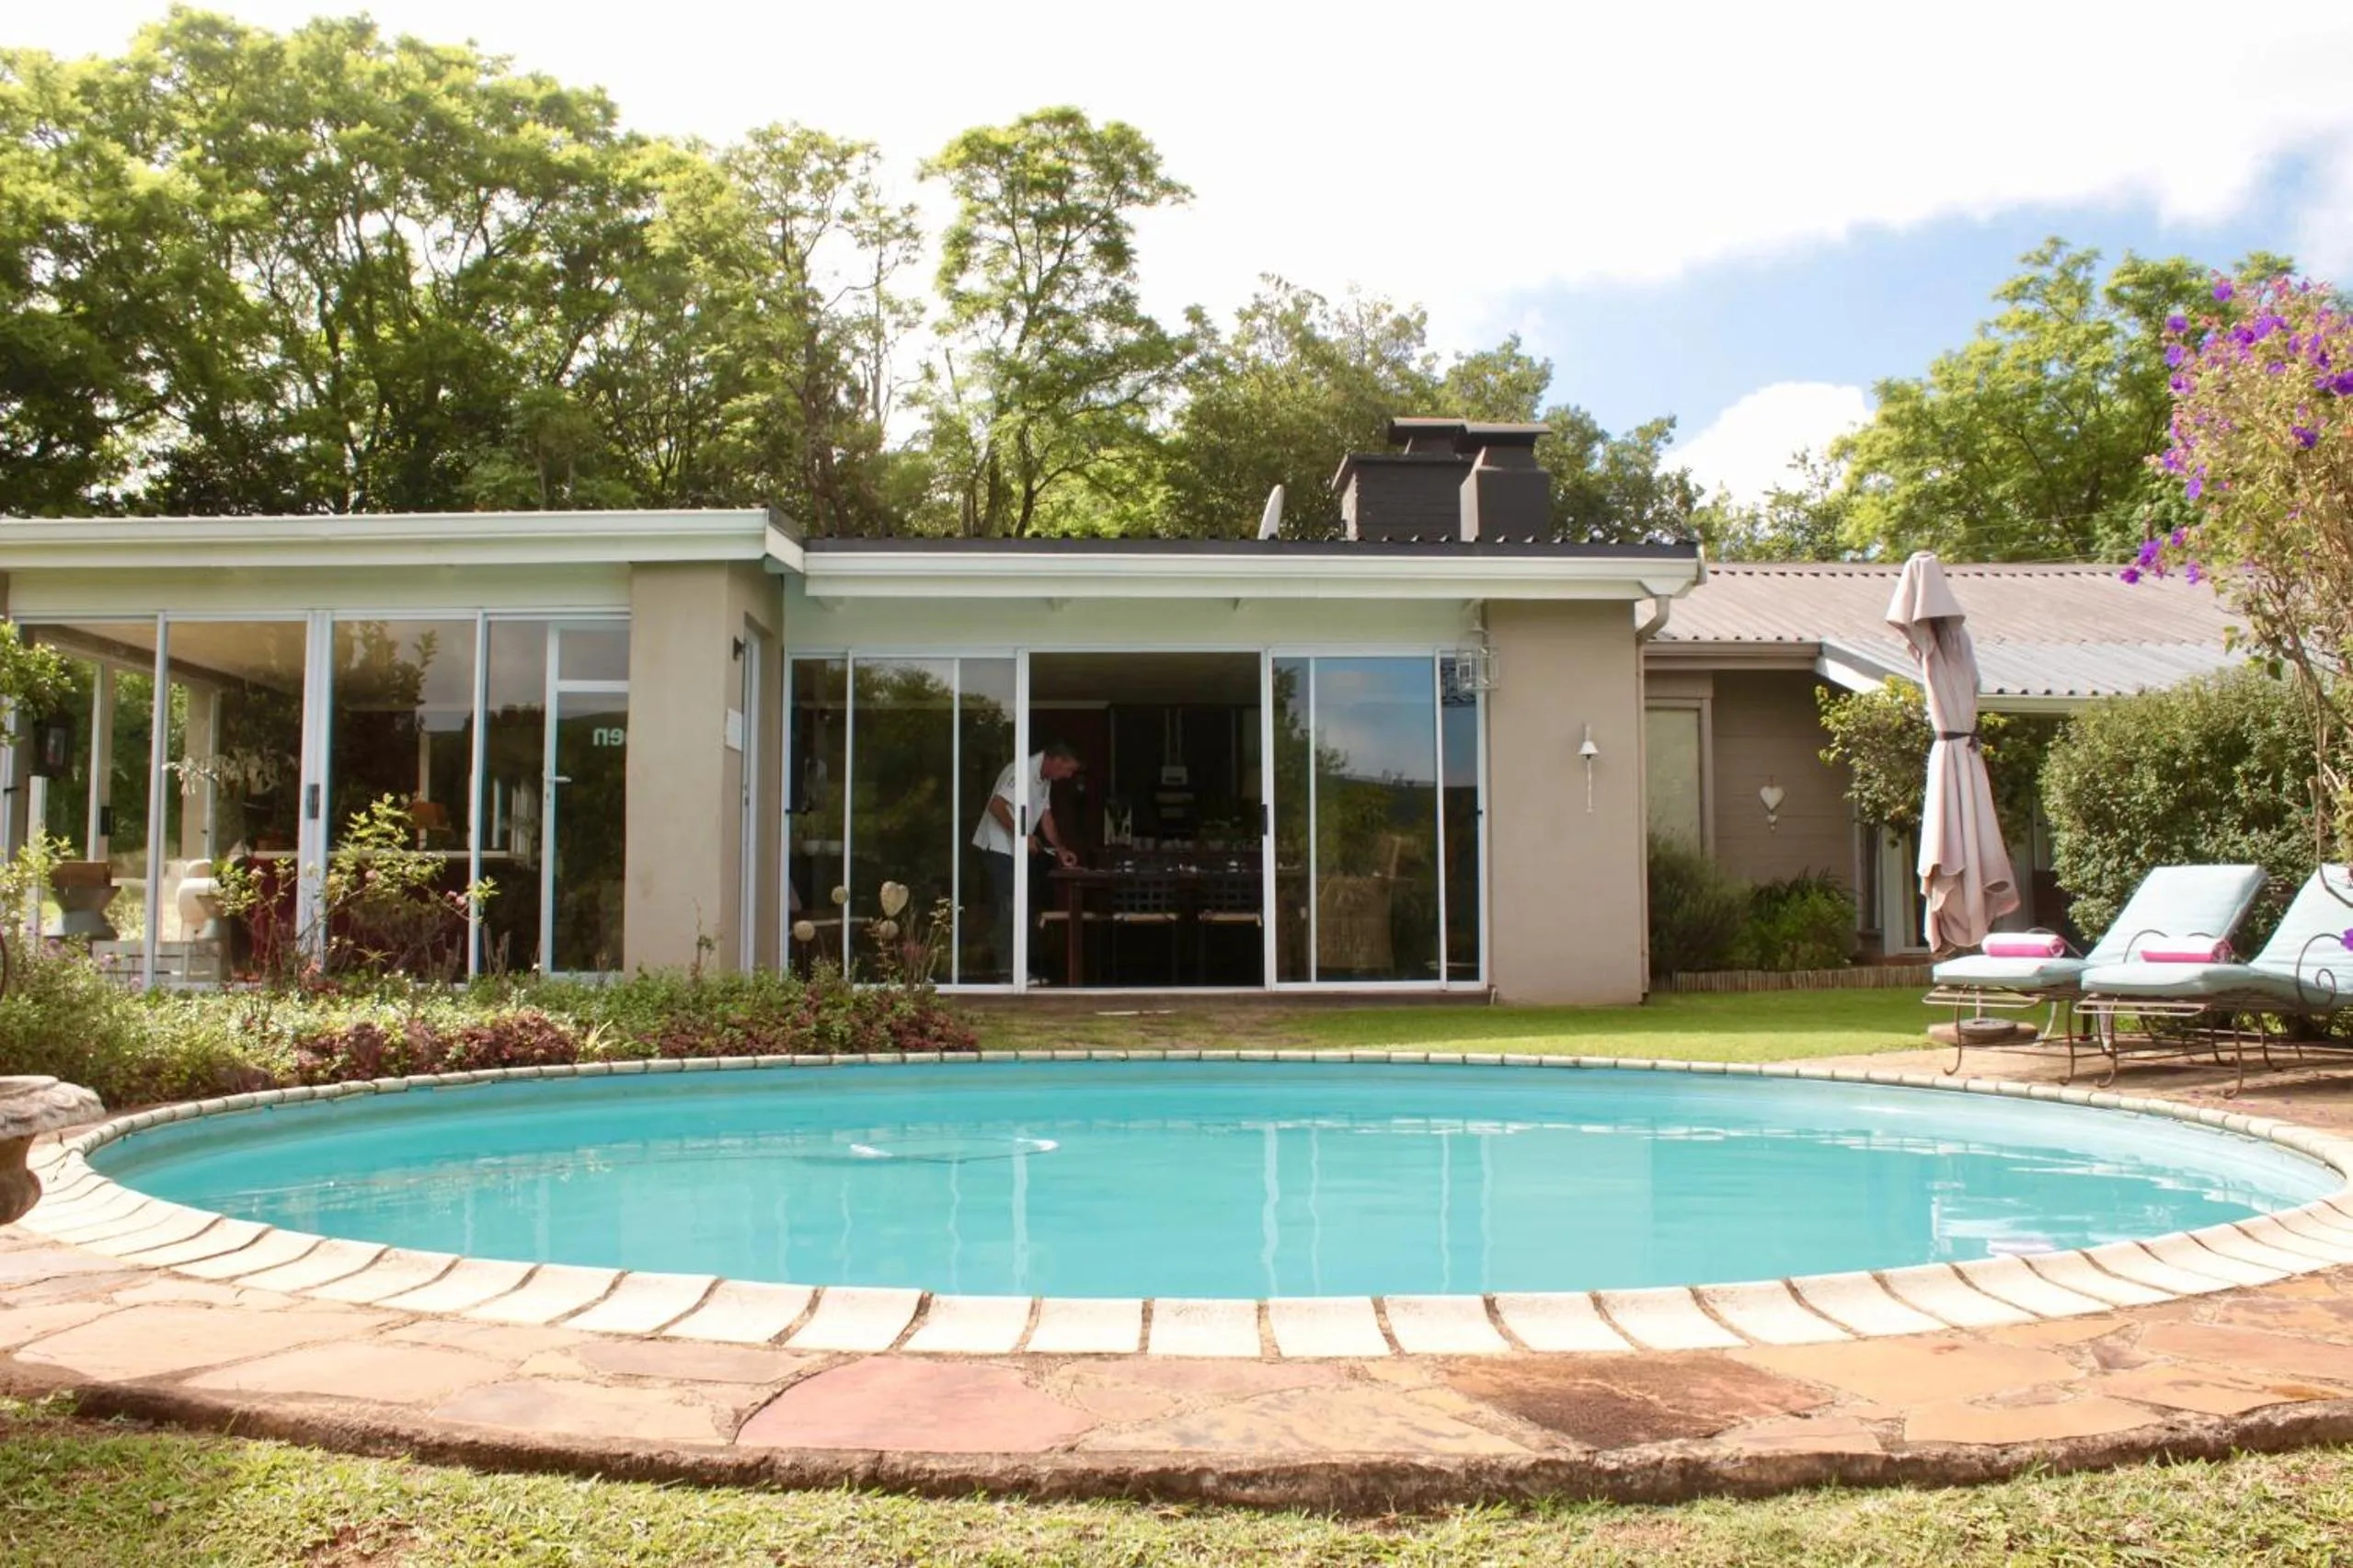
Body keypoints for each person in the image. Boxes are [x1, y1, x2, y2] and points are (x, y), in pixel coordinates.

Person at [972, 742, 1081, 982]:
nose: (1068, 776)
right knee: (1008, 908)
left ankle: (1018, 970)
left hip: (1013, 851)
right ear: (1055, 761)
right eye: (1067, 770)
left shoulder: (1045, 778)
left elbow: (1046, 816)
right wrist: (1022, 835)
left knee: (1021, 907)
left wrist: (1060, 849)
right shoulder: (1022, 770)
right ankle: (1005, 973)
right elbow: (996, 806)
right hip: (998, 848)